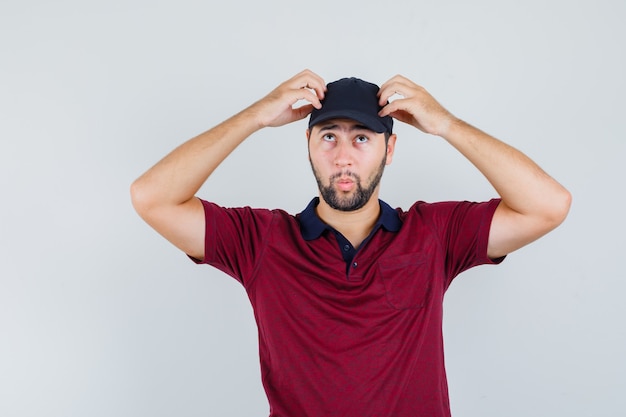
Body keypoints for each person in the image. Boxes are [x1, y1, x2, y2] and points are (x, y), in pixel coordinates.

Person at [130, 69, 571, 417]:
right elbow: (152, 198)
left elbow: (548, 205)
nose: (343, 156)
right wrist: (255, 116)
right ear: (308, 144)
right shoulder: (261, 241)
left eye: (361, 138)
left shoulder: (435, 233)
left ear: (390, 149)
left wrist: (447, 125)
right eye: (329, 137)